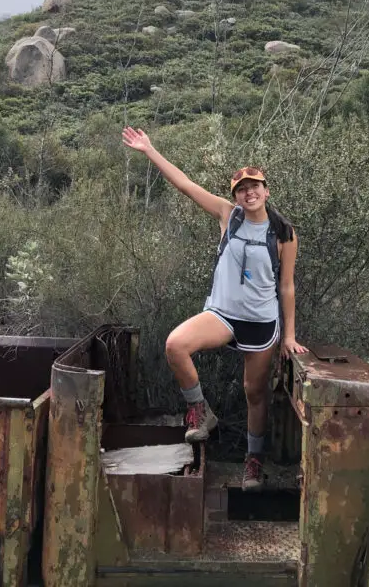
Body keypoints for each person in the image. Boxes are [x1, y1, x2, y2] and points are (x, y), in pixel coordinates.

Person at [121, 126, 308, 491]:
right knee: (176, 344)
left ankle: (253, 461)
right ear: (235, 196)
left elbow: (286, 286)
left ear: (266, 191)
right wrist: (150, 150)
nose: (248, 192)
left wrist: (289, 336)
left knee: (254, 392)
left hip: (259, 323)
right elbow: (186, 185)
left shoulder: (284, 233)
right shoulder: (228, 215)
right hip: (222, 315)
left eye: (254, 186)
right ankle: (201, 411)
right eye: (241, 188)